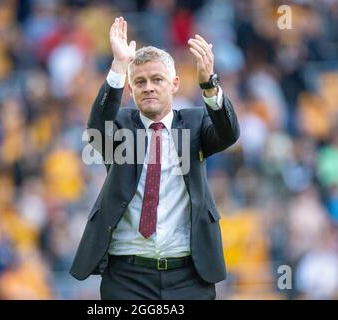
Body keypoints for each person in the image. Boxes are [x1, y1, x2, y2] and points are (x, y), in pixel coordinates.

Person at [70, 17, 240, 300]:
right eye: (140, 82)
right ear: (130, 89)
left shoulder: (195, 124)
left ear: (174, 84)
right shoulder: (120, 125)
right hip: (127, 274)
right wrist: (118, 66)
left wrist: (209, 84)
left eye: (156, 79)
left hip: (189, 273)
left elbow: (228, 133)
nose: (148, 87)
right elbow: (96, 130)